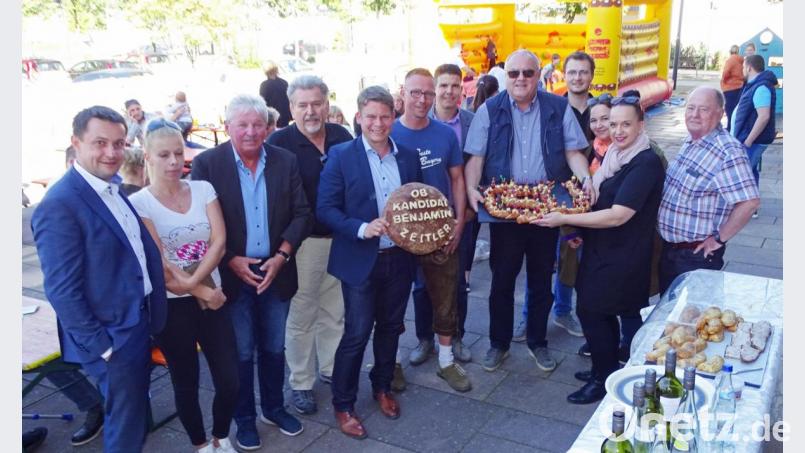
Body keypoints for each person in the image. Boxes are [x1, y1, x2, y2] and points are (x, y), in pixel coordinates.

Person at [31, 106, 168, 452]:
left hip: (135, 322)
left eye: (119, 143)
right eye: (100, 143)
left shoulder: (112, 188)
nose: (111, 152)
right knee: (125, 424)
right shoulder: (60, 204)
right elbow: (61, 290)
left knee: (134, 414)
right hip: (113, 337)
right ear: (76, 143)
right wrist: (104, 349)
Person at [190, 94, 312, 450]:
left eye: (258, 124)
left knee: (274, 346)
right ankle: (244, 419)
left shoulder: (285, 161)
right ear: (227, 126)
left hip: (276, 268)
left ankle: (273, 408)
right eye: (242, 124)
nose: (250, 131)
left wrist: (283, 255)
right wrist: (229, 259)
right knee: (241, 351)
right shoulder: (208, 164)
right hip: (232, 273)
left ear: (268, 127)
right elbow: (201, 224)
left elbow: (303, 213)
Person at [463, 50, 592, 373]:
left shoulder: (557, 106)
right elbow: (475, 158)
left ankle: (538, 342)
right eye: (514, 73)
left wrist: (587, 177)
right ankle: (499, 343)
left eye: (528, 73)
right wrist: (469, 189)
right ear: (506, 75)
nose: (520, 79)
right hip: (505, 209)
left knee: (540, 280)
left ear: (539, 75)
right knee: (502, 280)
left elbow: (573, 151)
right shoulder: (489, 109)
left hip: (546, 207)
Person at [535, 95, 666, 404]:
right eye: (613, 123)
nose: (617, 130)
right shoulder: (616, 156)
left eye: (626, 124)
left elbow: (619, 214)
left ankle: (603, 377)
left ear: (640, 125)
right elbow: (600, 194)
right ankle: (603, 368)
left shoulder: (644, 161)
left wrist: (565, 219)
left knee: (592, 311)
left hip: (623, 255)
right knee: (597, 312)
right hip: (602, 249)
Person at [317, 86, 422, 440]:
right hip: (361, 260)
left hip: (399, 258)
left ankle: (381, 388)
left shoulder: (407, 156)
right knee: (357, 332)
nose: (378, 123)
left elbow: (418, 203)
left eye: (385, 116)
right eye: (371, 116)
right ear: (358, 117)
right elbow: (326, 209)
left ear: (394, 116)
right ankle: (344, 403)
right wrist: (362, 228)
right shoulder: (340, 155)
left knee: (391, 327)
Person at [131, 118, 239, 453]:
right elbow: (159, 264)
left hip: (213, 297)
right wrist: (201, 290)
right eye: (164, 155)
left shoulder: (203, 189)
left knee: (230, 378)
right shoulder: (140, 204)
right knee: (185, 380)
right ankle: (200, 444)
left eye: (178, 153)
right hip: (174, 305)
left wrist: (196, 284)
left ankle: (222, 436)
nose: (175, 161)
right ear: (147, 157)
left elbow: (219, 241)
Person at [267, 75, 352, 415]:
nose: (311, 111)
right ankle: (301, 382)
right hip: (305, 244)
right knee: (302, 313)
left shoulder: (342, 136)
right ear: (291, 108)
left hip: (342, 239)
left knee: (335, 308)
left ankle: (330, 368)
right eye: (302, 105)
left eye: (317, 103)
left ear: (327, 104)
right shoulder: (279, 144)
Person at [392, 68, 471, 393]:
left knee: (445, 297)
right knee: (393, 302)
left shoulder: (444, 135)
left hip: (440, 231)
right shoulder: (389, 132)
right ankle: (390, 363)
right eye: (416, 92)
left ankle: (446, 361)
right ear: (403, 93)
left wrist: (459, 222)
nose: (422, 99)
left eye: (427, 93)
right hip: (398, 235)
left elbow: (457, 179)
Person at [657, 87, 760, 294]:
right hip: (671, 251)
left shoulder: (728, 151)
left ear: (721, 114)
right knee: (669, 315)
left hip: (695, 256)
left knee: (691, 320)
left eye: (703, 109)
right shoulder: (691, 141)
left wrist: (719, 239)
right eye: (691, 108)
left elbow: (749, 202)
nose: (694, 115)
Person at [429, 63, 476, 363]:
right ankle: (424, 338)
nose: (449, 91)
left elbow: (483, 165)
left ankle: (456, 336)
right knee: (423, 284)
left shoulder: (473, 122)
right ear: (435, 88)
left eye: (454, 85)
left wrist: (468, 211)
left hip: (464, 216)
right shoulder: (415, 123)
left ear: (462, 89)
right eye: (443, 85)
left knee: (458, 281)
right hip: (426, 217)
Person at [731, 54, 778, 192]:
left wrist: (748, 141)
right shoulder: (755, 85)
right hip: (748, 138)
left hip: (752, 141)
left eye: (744, 67)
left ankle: (744, 207)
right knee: (751, 172)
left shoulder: (761, 87)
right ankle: (753, 207)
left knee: (742, 175)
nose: (743, 70)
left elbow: (763, 117)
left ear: (749, 68)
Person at [258, 61, 292, 128]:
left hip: (272, 117)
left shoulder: (264, 85)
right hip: (285, 115)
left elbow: (262, 102)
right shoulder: (284, 83)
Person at [721, 45, 745, 132]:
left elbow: (726, 73)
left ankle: (730, 128)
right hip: (740, 86)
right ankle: (734, 127)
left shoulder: (731, 60)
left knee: (729, 109)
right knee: (735, 109)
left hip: (730, 88)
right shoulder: (742, 60)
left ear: (730, 51)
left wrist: (723, 80)